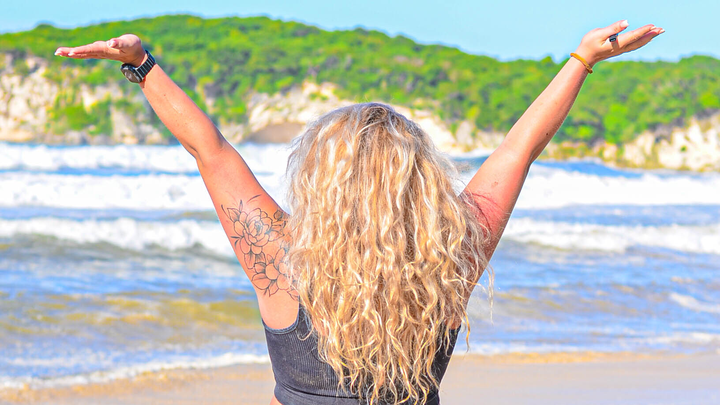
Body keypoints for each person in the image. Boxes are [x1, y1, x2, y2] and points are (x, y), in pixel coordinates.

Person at [55, 19, 663, 405]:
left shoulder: (281, 260)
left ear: (319, 178)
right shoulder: (448, 261)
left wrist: (143, 65)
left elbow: (209, 150)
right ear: (419, 182)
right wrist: (581, 59)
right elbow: (518, 150)